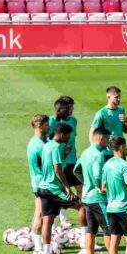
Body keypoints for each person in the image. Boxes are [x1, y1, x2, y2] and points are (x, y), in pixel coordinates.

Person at [36, 123, 82, 254]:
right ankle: (87, 239)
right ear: (62, 134)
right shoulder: (56, 147)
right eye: (68, 135)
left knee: (47, 221)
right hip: (53, 189)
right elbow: (58, 170)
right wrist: (67, 187)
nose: (69, 138)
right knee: (82, 206)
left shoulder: (47, 145)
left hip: (43, 188)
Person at [74, 128, 112, 254]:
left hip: (87, 197)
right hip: (99, 198)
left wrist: (86, 184)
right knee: (109, 229)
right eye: (107, 139)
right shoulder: (98, 155)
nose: (108, 142)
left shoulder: (85, 152)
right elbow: (97, 176)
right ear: (100, 139)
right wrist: (100, 187)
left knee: (91, 230)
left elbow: (75, 170)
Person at [49, 96, 81, 228]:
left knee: (81, 189)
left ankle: (84, 219)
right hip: (60, 162)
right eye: (70, 107)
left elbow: (72, 139)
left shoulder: (73, 120)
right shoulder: (51, 121)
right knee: (62, 190)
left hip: (73, 160)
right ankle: (61, 217)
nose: (72, 109)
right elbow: (48, 141)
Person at [27, 114, 49, 254]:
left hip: (40, 183)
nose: (49, 126)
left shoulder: (41, 141)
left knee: (40, 213)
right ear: (39, 126)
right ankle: (38, 245)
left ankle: (39, 243)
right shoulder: (38, 145)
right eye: (46, 125)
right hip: (41, 184)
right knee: (40, 214)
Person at [89, 86, 127, 161]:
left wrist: (126, 121)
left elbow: (126, 130)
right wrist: (93, 149)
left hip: (119, 150)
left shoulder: (121, 110)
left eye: (119, 97)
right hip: (107, 151)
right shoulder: (102, 113)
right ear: (108, 97)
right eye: (116, 97)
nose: (119, 99)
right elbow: (92, 131)